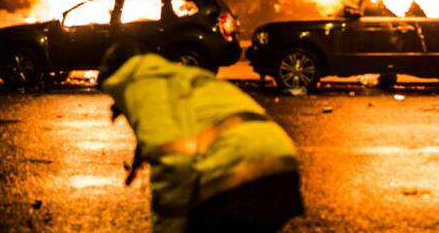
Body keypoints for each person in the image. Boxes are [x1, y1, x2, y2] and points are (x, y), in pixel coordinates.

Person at [98, 41, 304, 232]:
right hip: (282, 169)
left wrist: (167, 228)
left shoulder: (140, 85)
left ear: (115, 79)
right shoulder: (178, 77)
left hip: (238, 180)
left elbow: (174, 161)